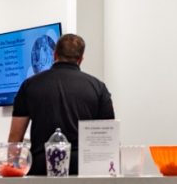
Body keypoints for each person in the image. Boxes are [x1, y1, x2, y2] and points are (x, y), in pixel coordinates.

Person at [8, 33, 114, 176]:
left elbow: (15, 139)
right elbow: (108, 138)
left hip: (42, 167)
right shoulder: (98, 87)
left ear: (54, 54)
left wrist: (12, 172)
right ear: (81, 59)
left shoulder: (29, 85)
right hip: (84, 168)